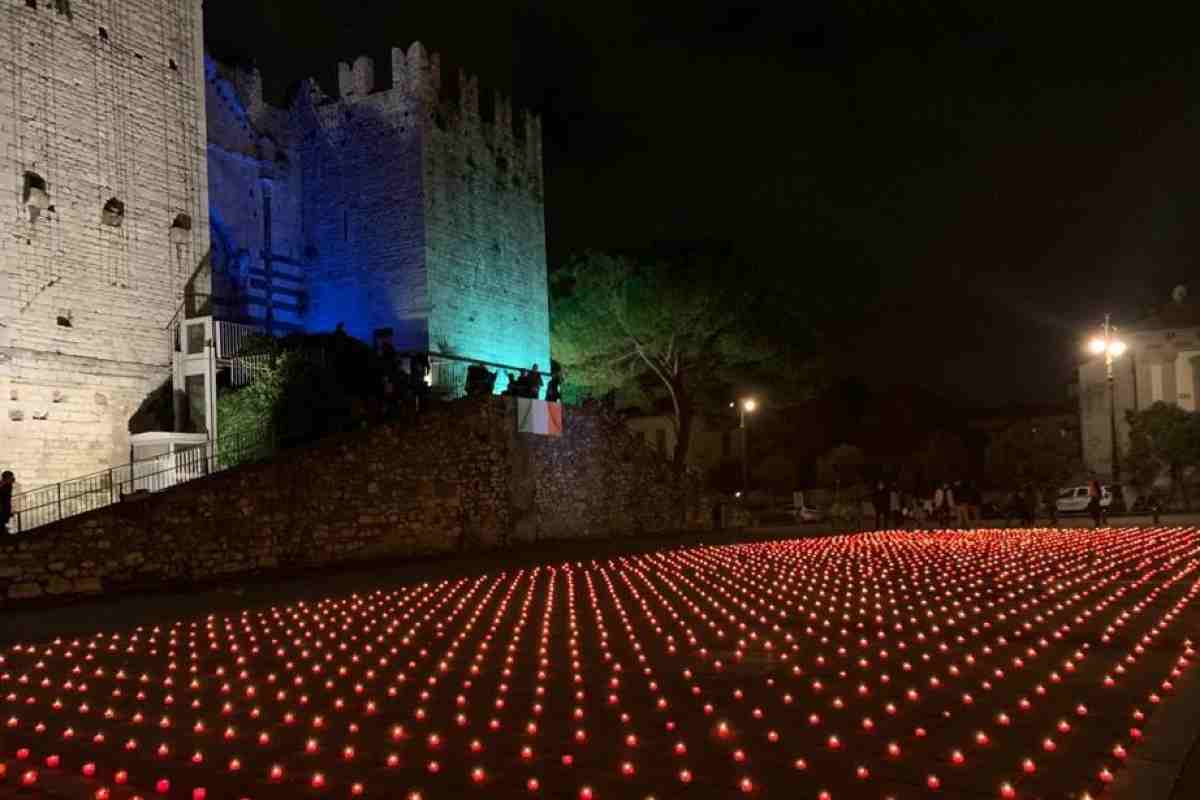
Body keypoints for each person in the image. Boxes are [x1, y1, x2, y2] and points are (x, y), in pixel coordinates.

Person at [0, 471, 14, 535]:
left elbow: (7, 497)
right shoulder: (3, 485)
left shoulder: (9, 485)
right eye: (10, 478)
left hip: (5, 506)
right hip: (2, 507)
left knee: (3, 521)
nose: (12, 479)